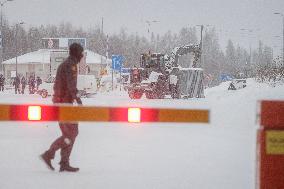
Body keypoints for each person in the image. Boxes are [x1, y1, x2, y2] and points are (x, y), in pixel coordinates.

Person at [40, 43, 83, 172]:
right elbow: (70, 85)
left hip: (63, 103)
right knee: (72, 133)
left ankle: (63, 162)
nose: (82, 55)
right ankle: (50, 154)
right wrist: (78, 99)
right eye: (81, 52)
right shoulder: (71, 65)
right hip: (64, 104)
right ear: (76, 53)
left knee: (69, 133)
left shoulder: (67, 64)